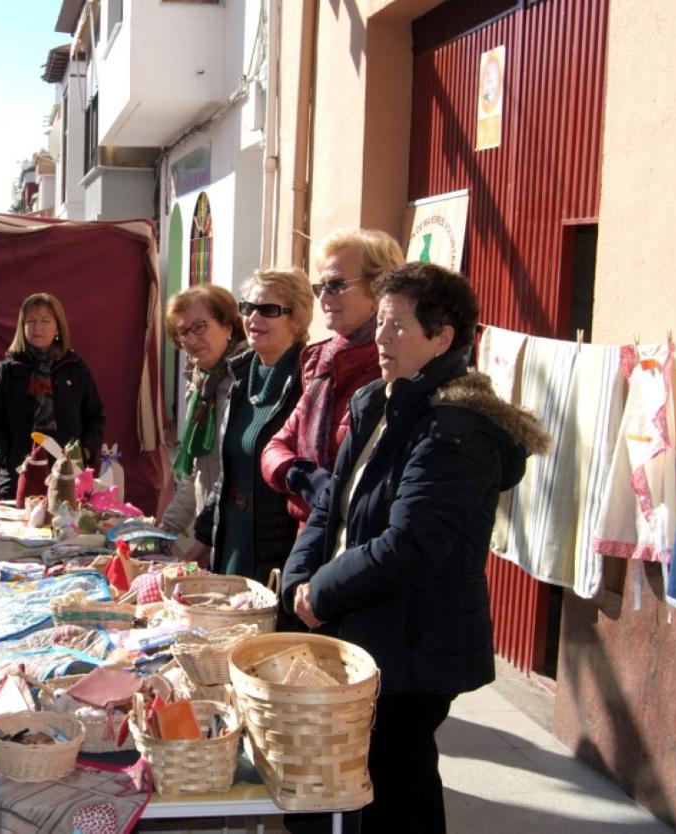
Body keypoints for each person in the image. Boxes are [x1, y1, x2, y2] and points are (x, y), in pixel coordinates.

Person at [281, 263, 549, 834]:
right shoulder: (380, 402)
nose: (381, 338)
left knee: (399, 785)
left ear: (442, 337)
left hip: (416, 644)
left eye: (398, 326)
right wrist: (298, 579)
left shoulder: (455, 429)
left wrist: (320, 592)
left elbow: (410, 545)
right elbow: (334, 502)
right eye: (379, 323)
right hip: (367, 630)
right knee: (373, 782)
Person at [261, 228, 402, 525]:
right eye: (320, 286)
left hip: (361, 542)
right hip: (310, 536)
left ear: (378, 289)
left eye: (336, 285)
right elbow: (274, 447)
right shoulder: (323, 364)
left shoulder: (394, 367)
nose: (324, 296)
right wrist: (300, 474)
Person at [191, 268, 312, 584]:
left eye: (269, 310)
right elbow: (229, 468)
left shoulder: (307, 385)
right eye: (248, 307)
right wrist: (203, 536)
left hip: (276, 548)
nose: (254, 317)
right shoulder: (240, 379)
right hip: (232, 537)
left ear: (297, 321)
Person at [0, 293, 105, 499]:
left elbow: (95, 416)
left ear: (58, 327)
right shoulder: (7, 371)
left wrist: (85, 452)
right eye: (31, 321)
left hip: (68, 478)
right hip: (18, 477)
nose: (38, 328)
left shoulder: (74, 369)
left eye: (45, 321)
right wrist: (5, 455)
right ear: (22, 327)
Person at [158, 285, 246, 547]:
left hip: (238, 531)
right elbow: (194, 470)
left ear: (228, 326)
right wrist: (166, 530)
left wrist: (207, 536)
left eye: (200, 327)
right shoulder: (199, 386)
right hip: (210, 526)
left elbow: (234, 472)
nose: (191, 339)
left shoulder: (245, 380)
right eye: (183, 332)